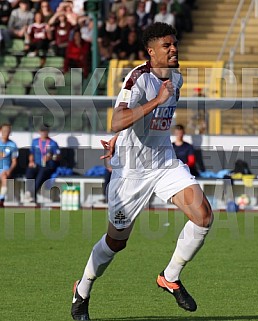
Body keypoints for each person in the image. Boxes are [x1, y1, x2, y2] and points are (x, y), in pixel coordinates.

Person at [71, 22, 213, 320]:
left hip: (163, 162)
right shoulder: (137, 78)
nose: (174, 49)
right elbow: (117, 119)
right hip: (131, 172)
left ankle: (169, 277)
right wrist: (154, 103)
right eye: (167, 45)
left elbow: (142, 125)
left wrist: (121, 136)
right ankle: (82, 288)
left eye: (174, 43)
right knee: (116, 242)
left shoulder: (177, 77)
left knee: (203, 217)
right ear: (151, 51)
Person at [23, 124, 60, 203]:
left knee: (42, 172)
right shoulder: (35, 142)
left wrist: (50, 157)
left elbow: (58, 157)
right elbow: (31, 153)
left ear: (48, 131)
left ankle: (31, 193)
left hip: (48, 166)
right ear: (39, 132)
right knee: (30, 170)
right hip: (37, 164)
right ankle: (29, 192)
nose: (44, 133)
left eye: (45, 131)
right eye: (42, 131)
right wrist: (31, 162)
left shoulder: (53, 143)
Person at [0, 123, 18, 207]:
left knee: (4, 176)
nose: (6, 132)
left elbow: (14, 161)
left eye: (8, 131)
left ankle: (1, 199)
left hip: (5, 167)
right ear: (0, 131)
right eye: (4, 130)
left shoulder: (13, 145)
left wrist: (9, 170)